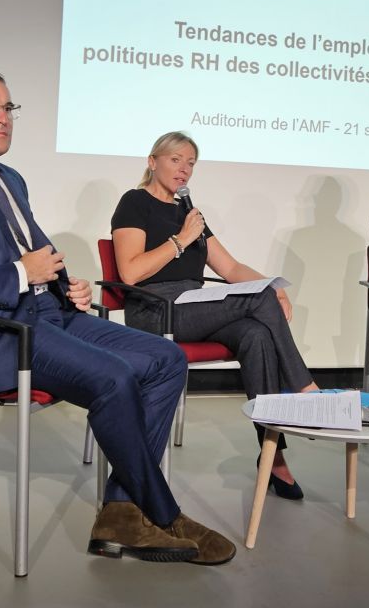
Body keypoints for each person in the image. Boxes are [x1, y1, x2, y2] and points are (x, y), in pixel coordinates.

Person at [0, 68, 234, 565]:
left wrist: (60, 282)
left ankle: (120, 514)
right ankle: (161, 514)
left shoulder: (10, 179)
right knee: (114, 376)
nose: (2, 118)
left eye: (8, 108)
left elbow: (32, 252)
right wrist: (19, 273)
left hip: (41, 316)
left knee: (164, 359)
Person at [111, 131, 317, 500]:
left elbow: (232, 267)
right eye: (176, 160)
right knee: (260, 304)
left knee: (255, 332)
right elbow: (129, 273)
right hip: (154, 308)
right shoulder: (134, 202)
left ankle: (274, 455)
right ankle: (305, 389)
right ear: (152, 161)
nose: (184, 169)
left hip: (192, 305)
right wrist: (181, 240)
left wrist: (276, 286)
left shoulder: (190, 214)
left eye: (190, 162)